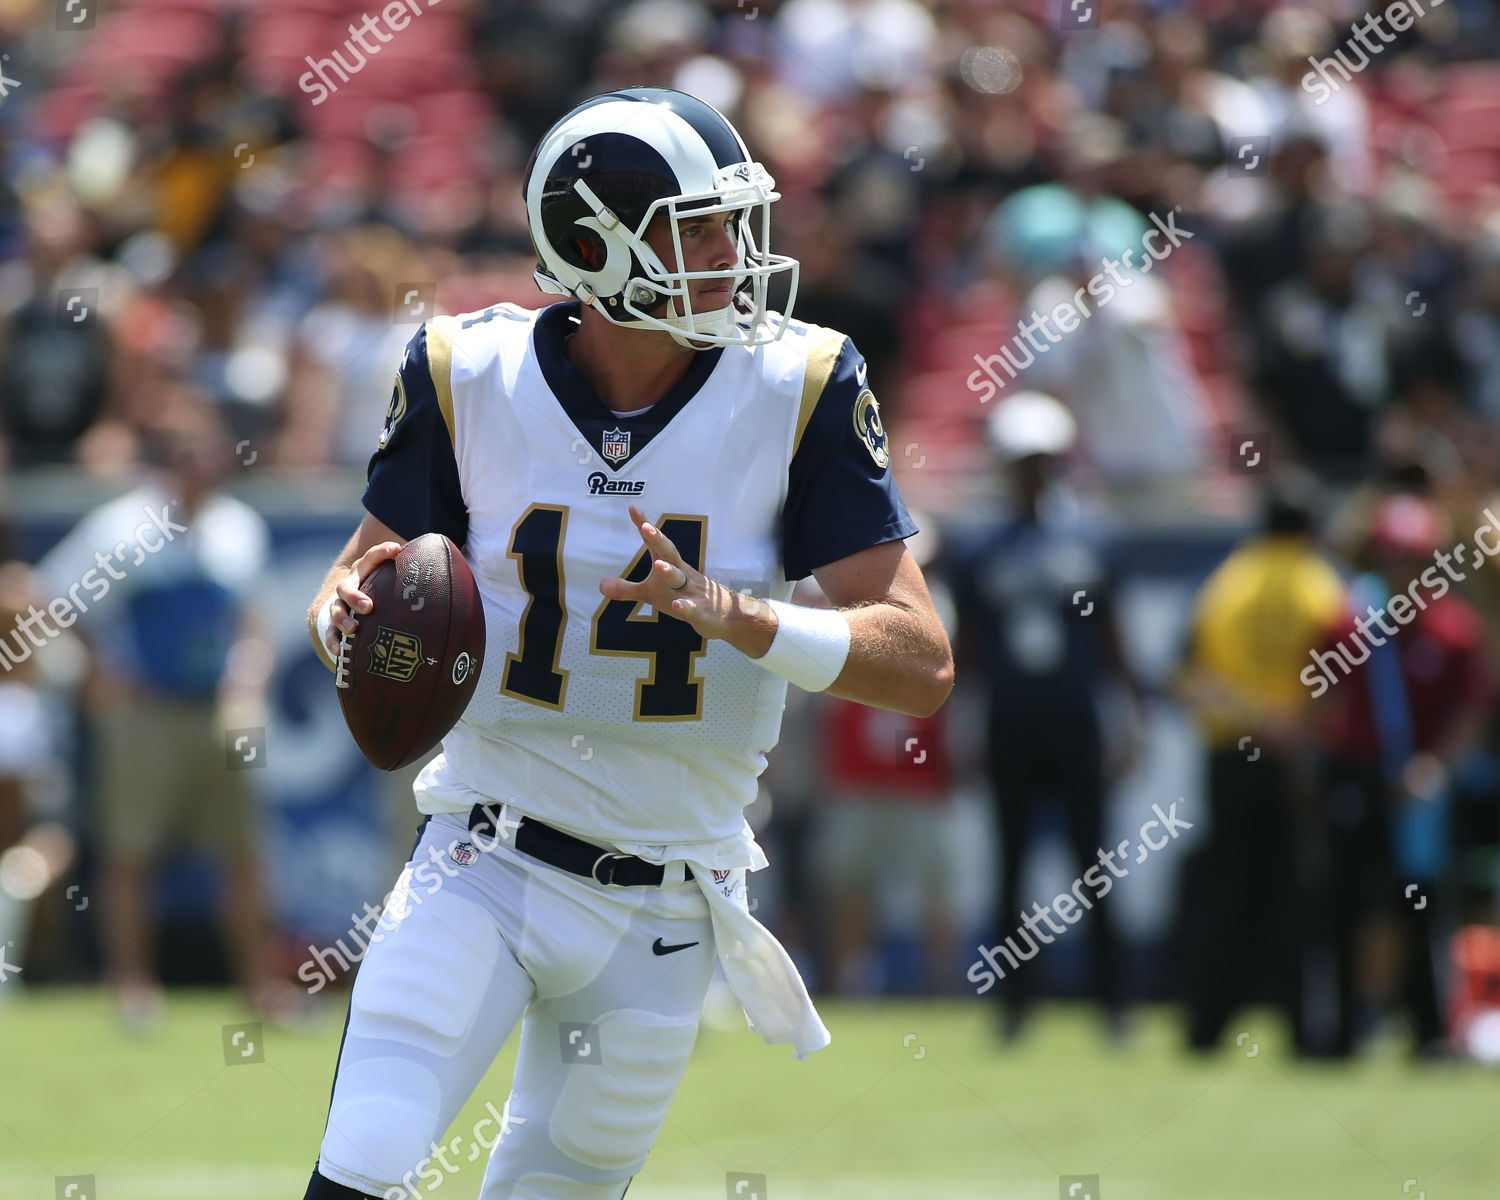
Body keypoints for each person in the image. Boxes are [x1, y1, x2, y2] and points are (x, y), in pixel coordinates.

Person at [301, 88, 953, 1200]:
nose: (735, 252)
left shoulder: (798, 384)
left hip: (665, 896)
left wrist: (738, 614)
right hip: (483, 855)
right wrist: (343, 615)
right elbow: (368, 565)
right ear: (596, 241)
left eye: (732, 222)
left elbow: (919, 664)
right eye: (698, 227)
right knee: (362, 1170)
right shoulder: (467, 371)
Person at [35, 399, 285, 1030]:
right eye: (192, 453)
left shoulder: (238, 528)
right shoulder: (119, 527)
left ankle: (261, 988)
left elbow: (254, 618)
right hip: (143, 715)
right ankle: (133, 987)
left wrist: (247, 676)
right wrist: (102, 673)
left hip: (216, 712)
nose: (205, 464)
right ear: (168, 461)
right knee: (130, 853)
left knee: (243, 852)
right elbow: (53, 598)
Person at [946, 390, 1144, 1041]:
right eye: (1023, 461)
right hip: (1011, 722)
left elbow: (1114, 637)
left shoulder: (1091, 536)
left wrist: (1130, 716)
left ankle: (1113, 1003)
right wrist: (958, 724)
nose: (1034, 474)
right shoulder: (979, 547)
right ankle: (1015, 1006)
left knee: (1093, 866)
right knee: (1012, 867)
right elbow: (966, 650)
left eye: (1042, 461)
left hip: (1075, 721)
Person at [1172, 473, 1345, 1053]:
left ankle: (1205, 1029)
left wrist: (1246, 714)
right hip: (1291, 764)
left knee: (1227, 891)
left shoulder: (1226, 582)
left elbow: (1184, 675)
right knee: (1293, 893)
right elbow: (1343, 677)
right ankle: (1303, 1032)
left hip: (1229, 757)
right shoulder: (1323, 587)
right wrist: (1287, 724)